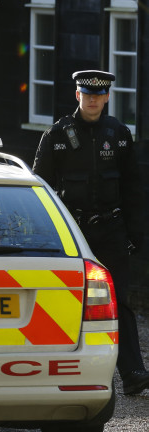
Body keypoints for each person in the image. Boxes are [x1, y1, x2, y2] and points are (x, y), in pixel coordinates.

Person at [33, 70, 148, 395]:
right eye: (87, 94)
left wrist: (136, 234)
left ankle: (132, 372)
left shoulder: (119, 134)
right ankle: (60, 368)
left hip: (111, 229)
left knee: (119, 300)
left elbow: (133, 189)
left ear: (107, 97)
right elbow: (41, 190)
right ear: (77, 95)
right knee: (65, 299)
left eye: (99, 95)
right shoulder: (56, 135)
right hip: (73, 233)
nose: (93, 99)